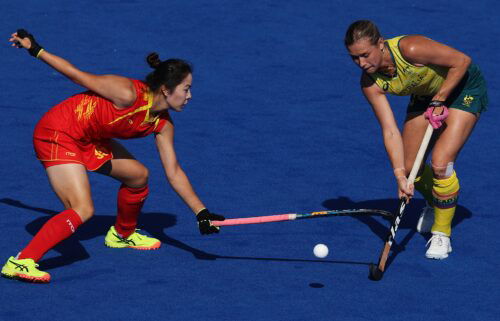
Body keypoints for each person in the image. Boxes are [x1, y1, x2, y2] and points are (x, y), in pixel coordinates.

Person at [1, 29, 225, 283]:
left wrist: (201, 212)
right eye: (186, 89)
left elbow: (173, 171)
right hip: (59, 132)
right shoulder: (127, 93)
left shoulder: (163, 124)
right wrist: (35, 49)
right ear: (166, 89)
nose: (190, 96)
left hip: (89, 138)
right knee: (82, 209)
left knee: (139, 176)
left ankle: (122, 234)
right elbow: (77, 76)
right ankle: (21, 261)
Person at [344, 20, 487, 259]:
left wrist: (440, 99)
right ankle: (437, 201)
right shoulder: (369, 84)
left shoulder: (409, 49)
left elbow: (462, 61)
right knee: (411, 167)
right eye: (354, 58)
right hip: (426, 95)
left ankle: (442, 233)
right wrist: (399, 174)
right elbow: (389, 130)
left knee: (441, 164)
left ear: (380, 44)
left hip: (463, 87)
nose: (361, 63)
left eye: (365, 55)